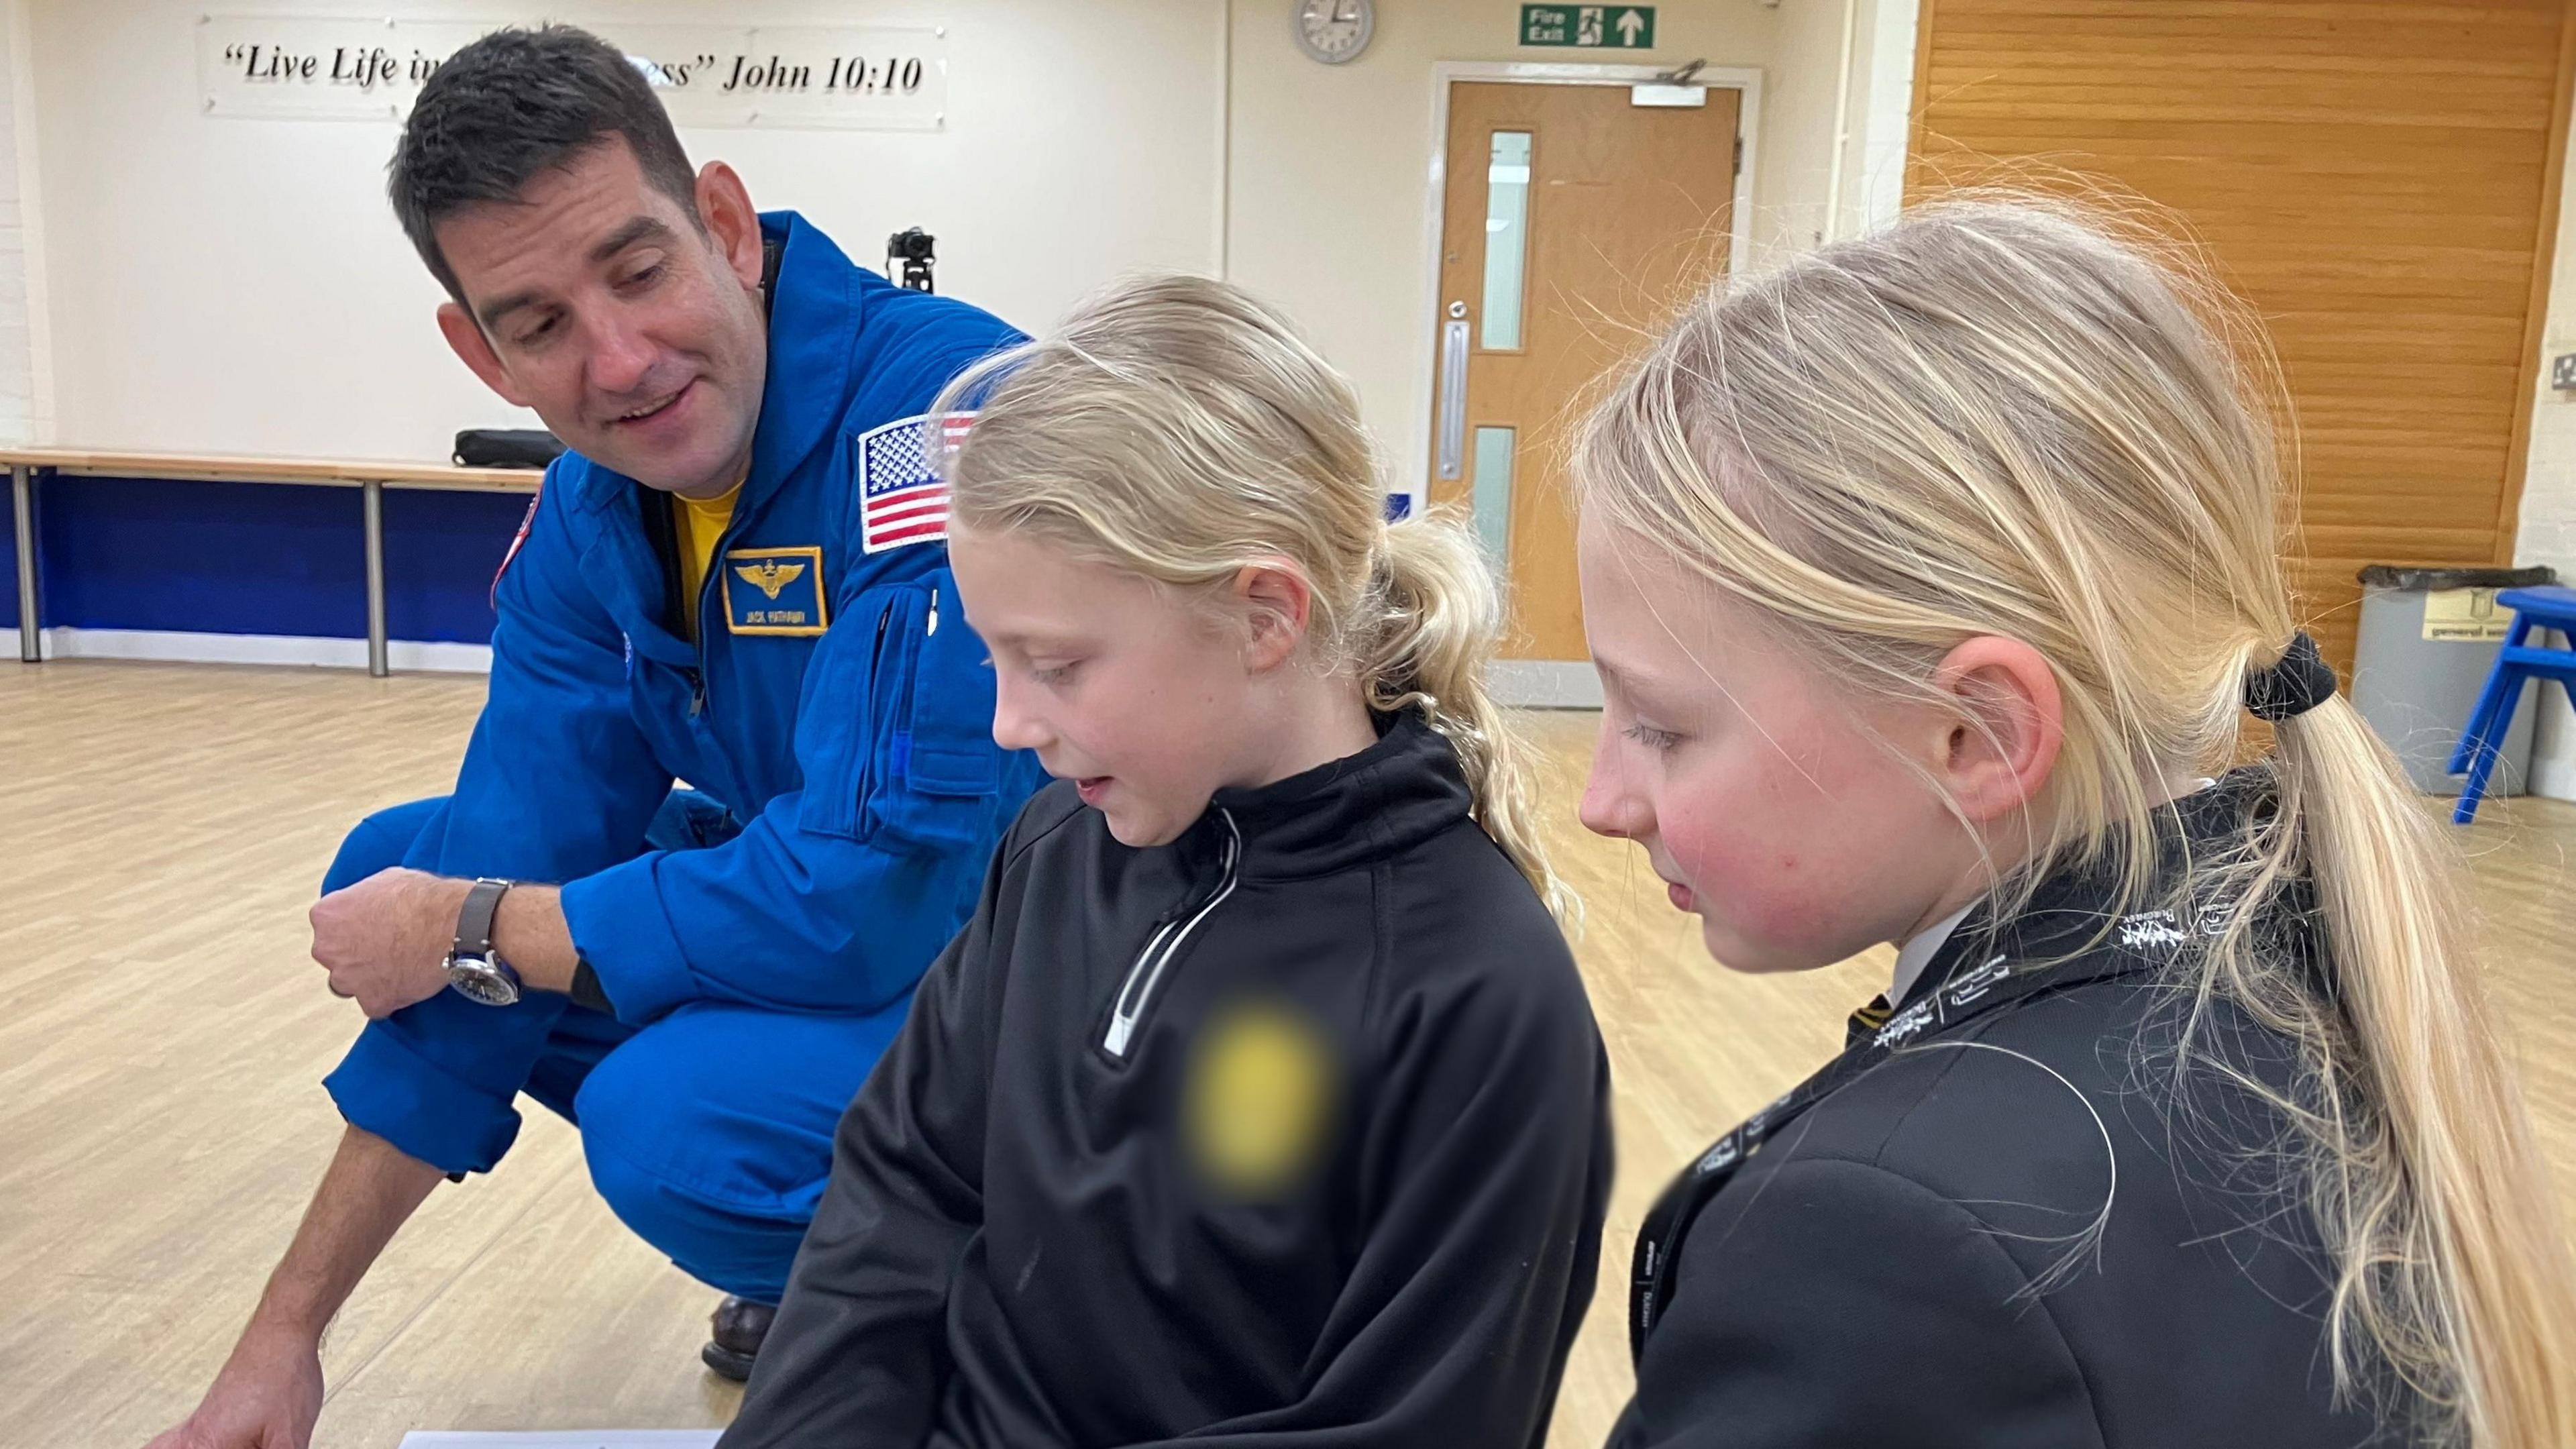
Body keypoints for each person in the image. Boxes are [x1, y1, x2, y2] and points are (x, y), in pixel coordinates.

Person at [146, 25, 1043, 1449]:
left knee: (672, 1117)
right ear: (479, 351)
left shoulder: (942, 420)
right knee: (409, 866)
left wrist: (479, 922)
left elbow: (873, 905)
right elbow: (497, 863)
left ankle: (1034, 1331)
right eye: (540, 322)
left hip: (1081, 975)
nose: (619, 362)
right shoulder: (589, 507)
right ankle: (848, 1251)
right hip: (886, 937)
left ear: (730, 230)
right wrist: (284, 1340)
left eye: (639, 272)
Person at [1574, 197, 2576, 1448]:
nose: (1601, 799)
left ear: (1980, 737)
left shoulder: (1892, 1242)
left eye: (1660, 728)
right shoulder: (2317, 954)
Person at [717, 274, 1613, 1449]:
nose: (1009, 725)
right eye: (993, 657)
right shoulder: (1053, 852)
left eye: (1056, 663)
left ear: (1262, 616)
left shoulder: (1479, 996)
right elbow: (903, 1191)